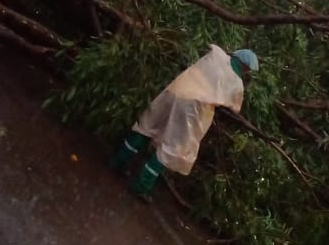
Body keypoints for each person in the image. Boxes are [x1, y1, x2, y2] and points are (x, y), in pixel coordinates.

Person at [110, 46, 258, 199]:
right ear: (246, 69)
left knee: (148, 125)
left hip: (176, 90)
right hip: (193, 111)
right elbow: (234, 108)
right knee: (171, 148)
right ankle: (141, 187)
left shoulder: (217, 54)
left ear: (236, 55)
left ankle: (117, 162)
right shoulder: (237, 85)